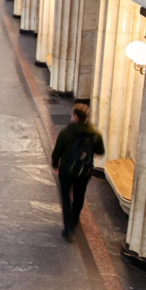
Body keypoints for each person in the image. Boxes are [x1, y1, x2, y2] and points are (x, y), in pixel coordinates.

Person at [51, 103, 105, 241]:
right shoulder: (94, 134)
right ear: (86, 118)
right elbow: (100, 151)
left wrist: (55, 164)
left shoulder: (66, 132)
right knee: (79, 195)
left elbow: (57, 151)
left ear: (75, 116)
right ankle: (75, 219)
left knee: (65, 196)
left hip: (66, 170)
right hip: (84, 171)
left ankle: (68, 228)